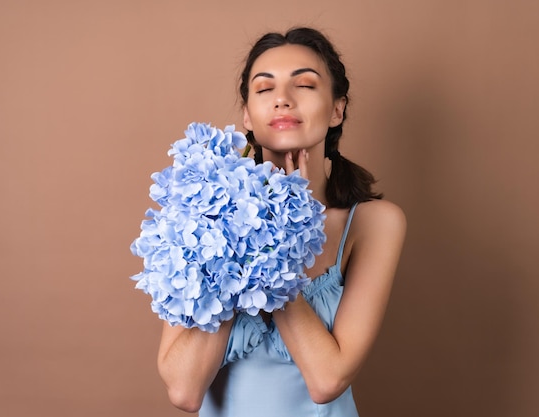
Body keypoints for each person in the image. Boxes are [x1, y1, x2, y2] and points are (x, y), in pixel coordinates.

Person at [157, 27, 407, 416]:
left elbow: (327, 380)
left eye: (304, 85)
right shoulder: (201, 215)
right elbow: (184, 390)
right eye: (264, 89)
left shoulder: (374, 223)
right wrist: (253, 223)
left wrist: (286, 233)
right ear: (247, 115)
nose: (283, 100)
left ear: (337, 109)